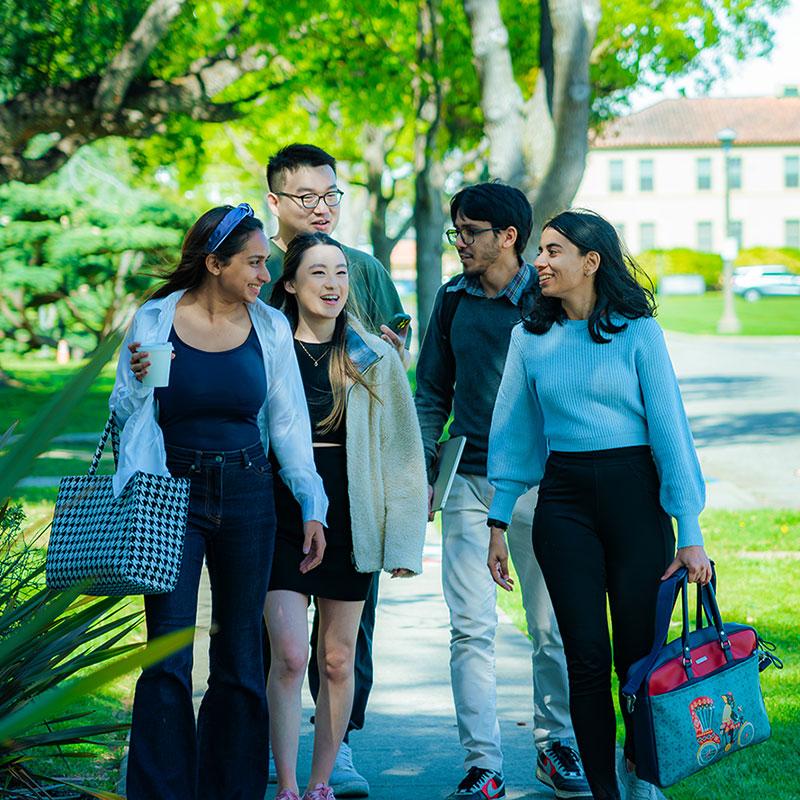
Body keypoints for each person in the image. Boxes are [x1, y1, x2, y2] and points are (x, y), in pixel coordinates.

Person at [486, 209, 712, 800]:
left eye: (554, 251)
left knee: (638, 658)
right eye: (540, 251)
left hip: (635, 499)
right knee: (584, 657)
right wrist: (498, 519)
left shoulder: (639, 333)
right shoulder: (529, 337)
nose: (540, 261)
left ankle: (643, 777)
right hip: (564, 504)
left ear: (592, 261)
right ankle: (604, 791)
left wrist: (689, 530)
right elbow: (513, 433)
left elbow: (671, 433)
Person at [117, 204, 327, 800]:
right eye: (255, 263)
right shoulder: (156, 320)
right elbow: (127, 419)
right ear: (215, 263)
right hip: (170, 493)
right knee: (168, 651)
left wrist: (312, 504)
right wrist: (135, 379)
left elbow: (288, 426)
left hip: (246, 490)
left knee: (238, 653)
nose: (266, 275)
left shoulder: (269, 327)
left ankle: (231, 791)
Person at [414, 183, 591, 800]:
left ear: (507, 237)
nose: (459, 242)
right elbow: (432, 389)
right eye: (456, 232)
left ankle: (556, 745)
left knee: (553, 624)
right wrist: (425, 460)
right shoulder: (453, 299)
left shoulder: (549, 300)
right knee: (471, 627)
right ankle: (483, 763)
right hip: (468, 478)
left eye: (470, 232)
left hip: (544, 484)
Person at [261, 143, 409, 796]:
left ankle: (336, 748)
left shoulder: (368, 270)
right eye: (306, 198)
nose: (322, 208)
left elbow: (397, 374)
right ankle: (267, 751)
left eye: (331, 195)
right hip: (272, 496)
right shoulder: (249, 262)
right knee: (272, 638)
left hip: (353, 490)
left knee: (346, 641)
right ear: (276, 202)